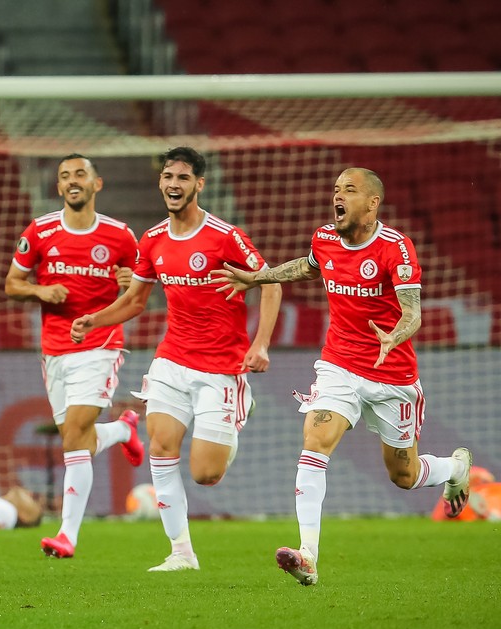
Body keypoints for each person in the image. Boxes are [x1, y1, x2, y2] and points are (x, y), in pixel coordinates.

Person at [213, 166, 473, 586]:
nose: (339, 196)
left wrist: (394, 337)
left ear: (373, 203)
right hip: (339, 364)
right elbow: (308, 267)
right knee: (315, 442)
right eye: (336, 189)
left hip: (393, 375)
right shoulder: (325, 237)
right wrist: (257, 277)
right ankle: (308, 555)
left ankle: (454, 468)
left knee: (403, 475)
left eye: (349, 190)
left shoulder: (396, 248)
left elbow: (413, 314)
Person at [71, 147, 282, 572]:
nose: (173, 184)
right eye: (168, 176)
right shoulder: (152, 239)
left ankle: (239, 409)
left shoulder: (225, 236)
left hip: (221, 367)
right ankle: (181, 552)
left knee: (206, 473)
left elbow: (271, 282)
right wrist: (95, 320)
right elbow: (135, 301)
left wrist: (259, 345)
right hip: (171, 361)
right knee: (162, 449)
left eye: (183, 178)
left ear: (199, 185)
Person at [4, 153, 145, 560]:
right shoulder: (41, 230)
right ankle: (122, 431)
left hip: (101, 346)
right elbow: (12, 283)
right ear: (60, 187)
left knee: (75, 434)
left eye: (80, 174)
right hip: (54, 350)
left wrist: (127, 282)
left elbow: (141, 289)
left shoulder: (120, 236)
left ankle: (67, 534)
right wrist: (39, 291)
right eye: (65, 176)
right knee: (75, 438)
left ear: (97, 183)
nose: (72, 181)